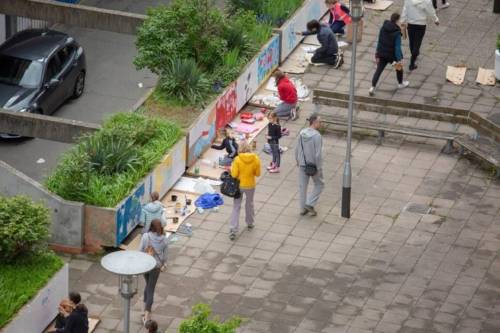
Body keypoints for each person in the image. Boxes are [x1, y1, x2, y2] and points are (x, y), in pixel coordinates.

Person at [369, 13, 409, 96]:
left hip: (382, 54)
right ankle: (400, 83)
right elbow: (397, 47)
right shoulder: (397, 33)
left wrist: (377, 53)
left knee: (378, 70)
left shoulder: (383, 27)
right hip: (392, 57)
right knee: (399, 68)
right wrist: (399, 59)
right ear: (397, 20)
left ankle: (372, 87)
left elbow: (379, 40)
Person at [229, 141, 261, 240]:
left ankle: (233, 229)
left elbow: (234, 175)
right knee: (249, 203)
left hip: (239, 185)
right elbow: (258, 174)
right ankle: (250, 223)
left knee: (236, 206)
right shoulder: (255, 159)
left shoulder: (237, 159)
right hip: (250, 185)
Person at [139, 220, 168, 324]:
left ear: (150, 226)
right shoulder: (164, 239)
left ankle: (143, 309)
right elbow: (165, 256)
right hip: (156, 267)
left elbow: (140, 251)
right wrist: (164, 264)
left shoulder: (145, 236)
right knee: (150, 288)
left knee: (148, 286)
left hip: (146, 265)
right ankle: (147, 316)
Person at [295, 114, 324, 217]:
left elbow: (297, 148)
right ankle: (310, 203)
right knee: (320, 184)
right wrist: (319, 167)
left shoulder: (302, 133)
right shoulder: (317, 136)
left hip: (303, 164)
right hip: (313, 166)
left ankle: (303, 209)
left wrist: (297, 160)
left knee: (303, 186)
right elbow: (318, 154)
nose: (321, 124)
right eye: (320, 122)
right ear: (314, 122)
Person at [401, 0, 439, 71]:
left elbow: (405, 9)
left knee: (412, 42)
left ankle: (414, 53)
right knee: (417, 43)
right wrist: (435, 19)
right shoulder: (426, 1)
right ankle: (412, 63)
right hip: (421, 25)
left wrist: (402, 20)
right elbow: (430, 11)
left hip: (411, 24)